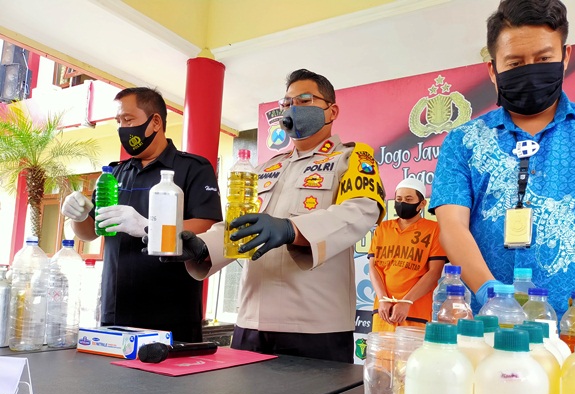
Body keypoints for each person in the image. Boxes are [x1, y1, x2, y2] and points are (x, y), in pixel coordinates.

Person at [429, 0, 575, 317]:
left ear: (565, 57)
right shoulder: (463, 141)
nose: (530, 70)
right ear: (493, 70)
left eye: (543, 59)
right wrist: (491, 296)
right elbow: (452, 227)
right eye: (515, 63)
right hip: (486, 327)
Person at [161, 69, 386, 363]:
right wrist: (204, 247)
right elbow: (241, 223)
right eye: (287, 103)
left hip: (316, 326)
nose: (293, 108)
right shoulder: (266, 168)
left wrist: (292, 229)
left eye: (304, 100)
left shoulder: (350, 157)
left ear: (332, 111)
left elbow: (361, 210)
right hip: (251, 322)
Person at [61, 87, 222, 342]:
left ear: (155, 122)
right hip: (115, 313)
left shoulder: (192, 168)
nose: (122, 128)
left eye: (128, 120)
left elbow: (207, 228)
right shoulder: (114, 174)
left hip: (172, 314)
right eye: (118, 122)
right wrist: (77, 215)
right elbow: (91, 232)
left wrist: (149, 227)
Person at [368, 178, 446, 332]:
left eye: (409, 199)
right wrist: (383, 299)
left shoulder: (434, 229)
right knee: (381, 348)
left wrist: (406, 302)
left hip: (415, 312)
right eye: (399, 199)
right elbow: (373, 268)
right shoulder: (383, 228)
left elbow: (434, 273)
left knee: (411, 349)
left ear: (422, 204)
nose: (402, 203)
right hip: (384, 311)